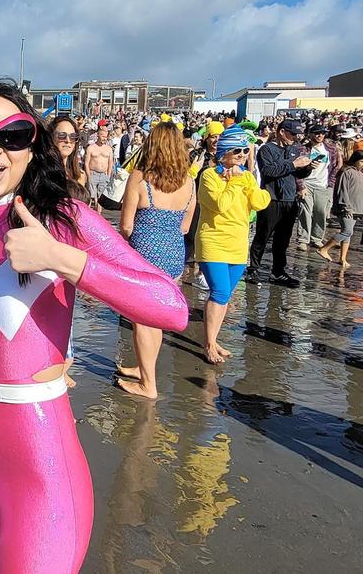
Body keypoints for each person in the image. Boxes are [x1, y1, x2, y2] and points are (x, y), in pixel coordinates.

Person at [0, 81, 186, 574]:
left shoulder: (62, 219)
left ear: (32, 143)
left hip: (41, 466)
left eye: (13, 134)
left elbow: (171, 307)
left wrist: (64, 260)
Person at [115, 121, 195, 398]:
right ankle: (143, 368)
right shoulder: (189, 181)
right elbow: (185, 227)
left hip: (145, 256)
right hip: (174, 254)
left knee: (142, 322)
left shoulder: (140, 178)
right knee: (156, 319)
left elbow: (126, 225)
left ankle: (148, 385)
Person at [195, 125, 271, 363]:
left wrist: (247, 181)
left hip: (238, 244)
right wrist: (236, 183)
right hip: (213, 242)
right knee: (219, 291)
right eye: (236, 150)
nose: (241, 155)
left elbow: (260, 202)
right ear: (224, 152)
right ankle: (208, 344)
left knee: (225, 296)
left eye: (245, 151)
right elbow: (220, 205)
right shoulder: (209, 176)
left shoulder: (246, 177)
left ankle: (214, 339)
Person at [248, 118, 312, 287]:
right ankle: (253, 269)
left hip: (289, 199)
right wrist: (293, 164)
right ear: (282, 132)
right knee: (263, 235)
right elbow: (268, 171)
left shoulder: (295, 149)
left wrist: (307, 167)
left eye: (297, 135)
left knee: (283, 239)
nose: (295, 138)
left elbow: (298, 174)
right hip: (271, 198)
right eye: (292, 134)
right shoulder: (266, 149)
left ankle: (278, 272)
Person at [318, 150, 363, 269]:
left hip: (356, 209)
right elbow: (342, 191)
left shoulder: (360, 173)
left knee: (348, 233)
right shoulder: (346, 172)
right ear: (355, 160)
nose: (362, 164)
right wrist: (346, 206)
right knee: (347, 231)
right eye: (361, 161)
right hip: (346, 208)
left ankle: (342, 258)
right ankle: (324, 248)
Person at [296, 125, 337, 251]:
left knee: (321, 212)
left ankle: (317, 238)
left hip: (322, 185)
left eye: (322, 133)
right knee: (305, 212)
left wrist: (330, 183)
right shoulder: (303, 149)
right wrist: (301, 186)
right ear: (311, 134)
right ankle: (303, 239)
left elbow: (336, 166)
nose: (320, 135)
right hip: (307, 183)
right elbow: (297, 169)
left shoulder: (331, 149)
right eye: (317, 133)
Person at [50, 115, 88, 200]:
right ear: (51, 138)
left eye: (73, 136)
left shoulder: (79, 175)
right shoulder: (41, 172)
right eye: (62, 135)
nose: (68, 140)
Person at [85, 124, 113, 212]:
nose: (104, 138)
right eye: (102, 136)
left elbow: (110, 163)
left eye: (106, 137)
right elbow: (86, 163)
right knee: (90, 197)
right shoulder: (91, 148)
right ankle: (88, 216)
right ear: (98, 136)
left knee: (100, 198)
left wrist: (108, 175)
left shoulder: (108, 149)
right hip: (93, 173)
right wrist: (89, 176)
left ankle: (99, 215)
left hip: (104, 175)